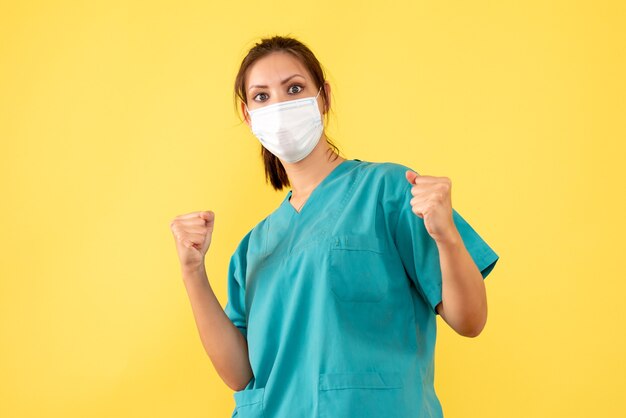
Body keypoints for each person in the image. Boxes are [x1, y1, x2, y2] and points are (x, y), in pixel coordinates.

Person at [170, 35, 499, 418]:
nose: (280, 105)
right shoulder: (254, 246)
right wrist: (193, 272)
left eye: (294, 88)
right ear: (248, 115)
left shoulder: (390, 191)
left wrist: (446, 236)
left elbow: (471, 320)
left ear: (323, 97)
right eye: (262, 97)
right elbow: (241, 375)